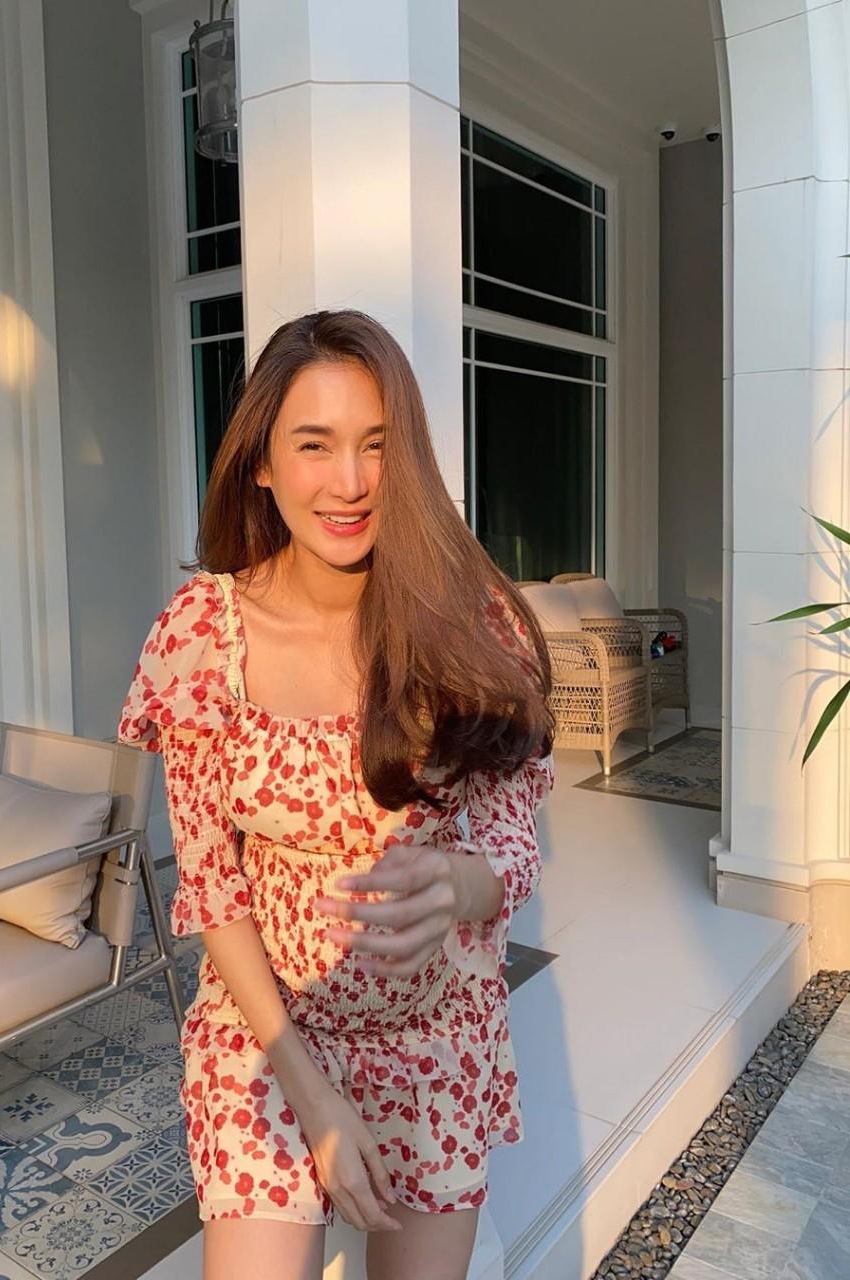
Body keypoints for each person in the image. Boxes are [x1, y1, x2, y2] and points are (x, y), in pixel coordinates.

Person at [119, 310, 555, 1280]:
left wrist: (459, 884)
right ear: (262, 464)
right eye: (313, 444)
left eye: (376, 444)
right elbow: (210, 885)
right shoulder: (200, 634)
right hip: (268, 1034)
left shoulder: (470, 620)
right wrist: (311, 1097)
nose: (350, 481)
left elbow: (512, 839)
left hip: (435, 1033)